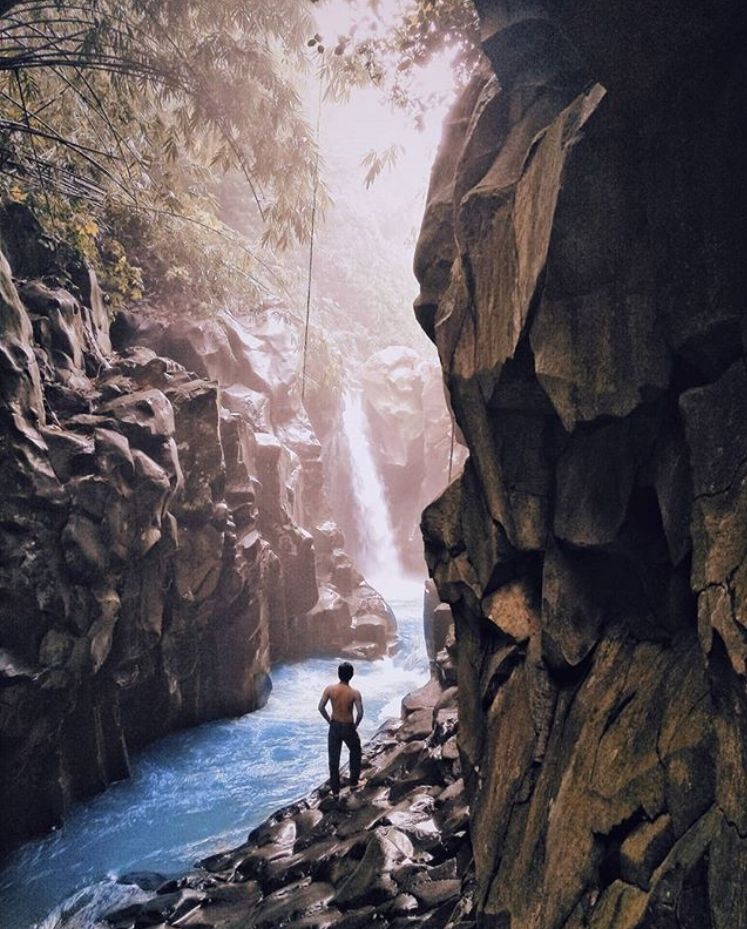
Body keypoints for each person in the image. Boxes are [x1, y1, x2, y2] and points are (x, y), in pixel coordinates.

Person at [318, 662, 363, 797]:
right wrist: (355, 725)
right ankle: (354, 783)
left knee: (333, 760)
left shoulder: (330, 689)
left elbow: (321, 707)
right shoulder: (354, 693)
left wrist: (329, 721)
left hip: (334, 726)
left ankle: (335, 791)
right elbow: (360, 713)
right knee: (355, 751)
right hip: (348, 727)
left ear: (338, 674)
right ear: (351, 675)